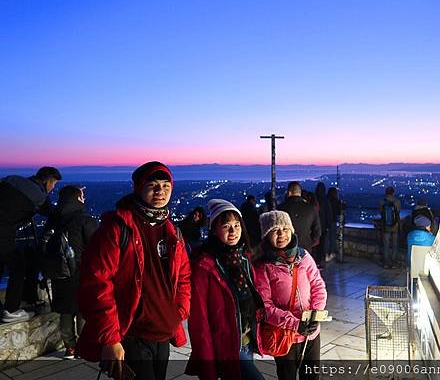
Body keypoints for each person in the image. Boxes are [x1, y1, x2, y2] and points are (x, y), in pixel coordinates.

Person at [77, 161, 191, 380]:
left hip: (163, 330)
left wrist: (179, 312)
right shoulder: (117, 228)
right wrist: (111, 339)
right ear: (138, 188)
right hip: (131, 333)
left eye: (166, 186)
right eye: (153, 185)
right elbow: (96, 284)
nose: (160, 191)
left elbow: (183, 276)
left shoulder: (172, 231)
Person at [186, 199, 265, 380]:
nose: (233, 231)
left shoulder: (243, 260)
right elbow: (200, 322)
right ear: (214, 229)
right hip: (226, 346)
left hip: (246, 340)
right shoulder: (205, 267)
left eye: (237, 225)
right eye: (226, 226)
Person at [254, 210, 327, 380]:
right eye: (275, 230)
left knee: (311, 375)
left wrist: (315, 314)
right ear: (266, 235)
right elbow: (265, 306)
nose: (281, 234)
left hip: (311, 332)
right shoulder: (263, 266)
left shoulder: (304, 256)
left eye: (285, 229)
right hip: (284, 334)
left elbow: (318, 285)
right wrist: (295, 324)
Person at [0, 166, 62, 323]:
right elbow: (53, 213)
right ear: (48, 181)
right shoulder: (38, 195)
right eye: (53, 184)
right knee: (18, 266)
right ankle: (12, 310)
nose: (52, 188)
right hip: (3, 230)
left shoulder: (13, 179)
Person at [45, 185, 98, 359]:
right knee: (83, 311)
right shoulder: (84, 220)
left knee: (66, 313)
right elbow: (97, 248)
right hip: (81, 273)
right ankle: (83, 347)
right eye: (81, 195)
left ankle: (70, 348)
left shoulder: (54, 220)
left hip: (59, 274)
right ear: (77, 198)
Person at [279, 182, 321, 256]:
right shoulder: (311, 208)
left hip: (286, 248)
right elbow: (317, 231)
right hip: (305, 248)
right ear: (300, 193)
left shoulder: (281, 208)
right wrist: (310, 243)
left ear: (289, 193)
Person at [379, 187, 401, 269]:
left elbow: (381, 212)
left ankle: (386, 263)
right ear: (393, 193)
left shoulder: (382, 201)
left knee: (386, 244)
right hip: (395, 225)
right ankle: (394, 262)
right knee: (395, 244)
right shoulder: (397, 201)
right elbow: (398, 212)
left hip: (385, 226)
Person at [314, 182, 333, 267]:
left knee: (315, 244)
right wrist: (329, 225)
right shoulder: (325, 200)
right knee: (322, 244)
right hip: (323, 225)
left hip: (314, 225)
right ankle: (319, 260)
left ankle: (314, 260)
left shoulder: (314, 199)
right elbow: (328, 214)